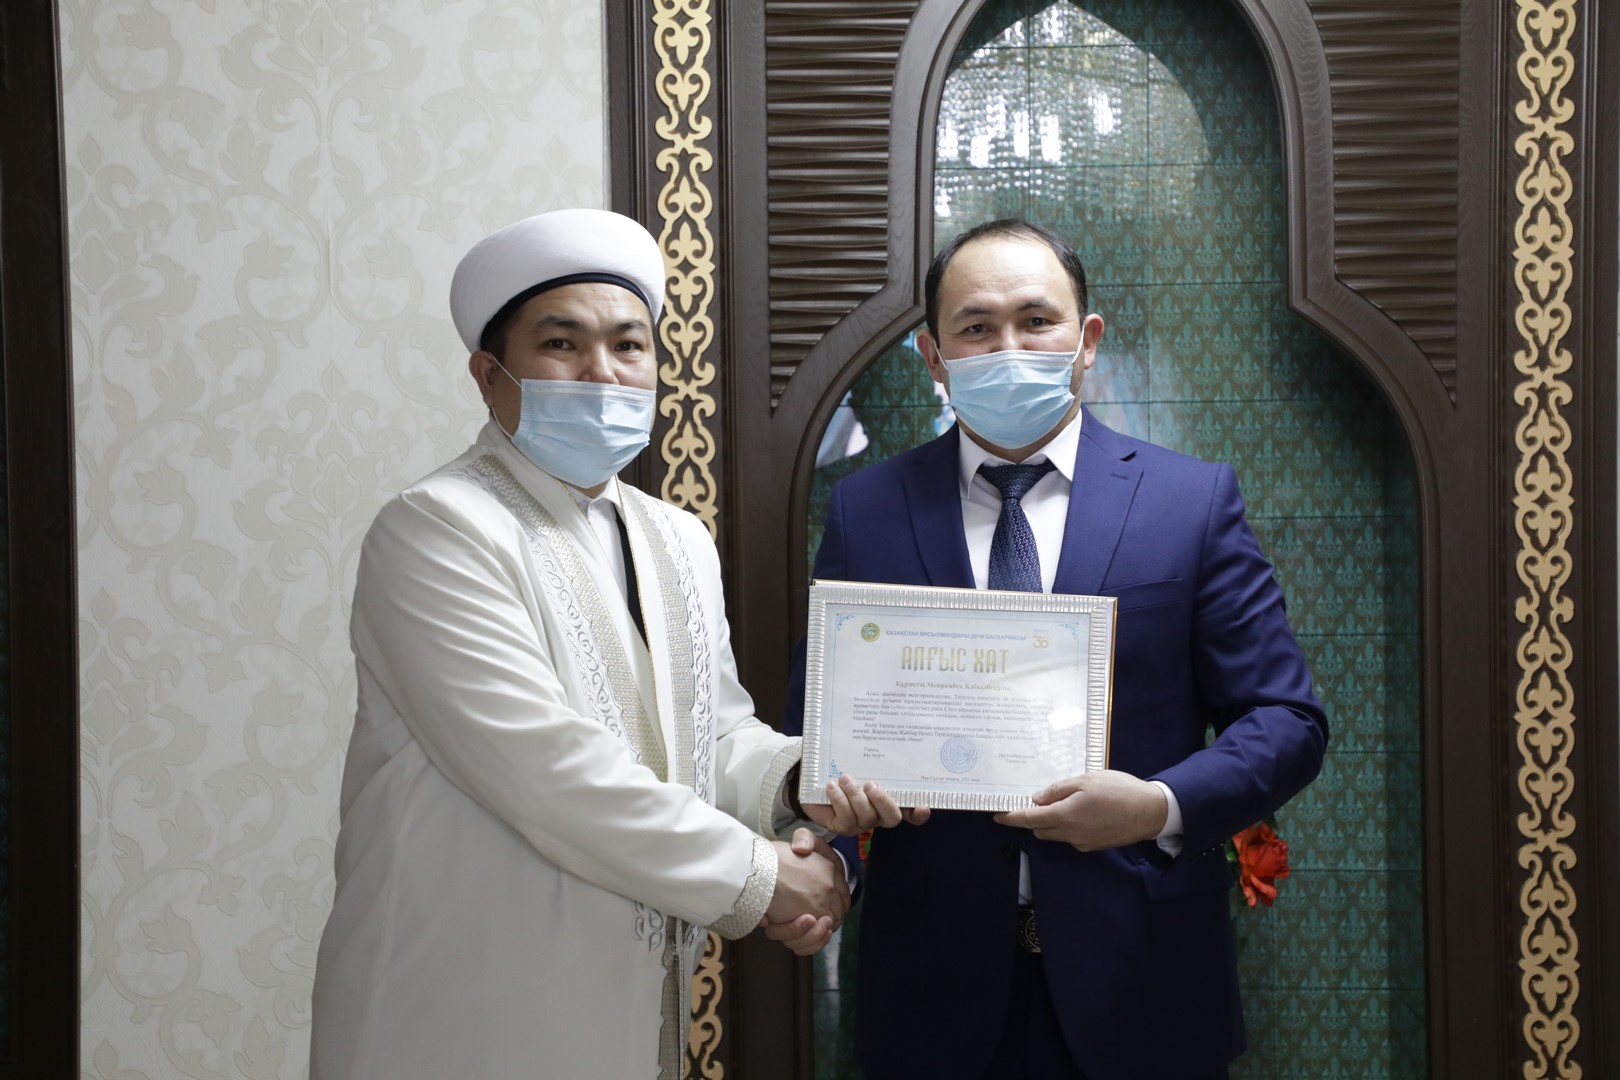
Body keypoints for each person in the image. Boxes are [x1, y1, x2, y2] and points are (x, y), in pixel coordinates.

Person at [310, 208, 908, 1079]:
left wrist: (800, 784)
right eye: (562, 344)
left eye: (629, 346)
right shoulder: (436, 529)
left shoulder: (676, 538)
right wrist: (767, 878)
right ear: (488, 375)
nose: (603, 372)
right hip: (460, 1004)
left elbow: (712, 737)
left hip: (632, 999)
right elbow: (547, 770)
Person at [784, 219, 1328, 1080]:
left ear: (1087, 339)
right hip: (930, 991)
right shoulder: (867, 511)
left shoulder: (1189, 503)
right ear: (934, 356)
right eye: (976, 327)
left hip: (1143, 980)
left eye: (1036, 320)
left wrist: (1157, 805)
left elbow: (1287, 720)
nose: (1009, 347)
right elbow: (818, 738)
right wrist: (832, 855)